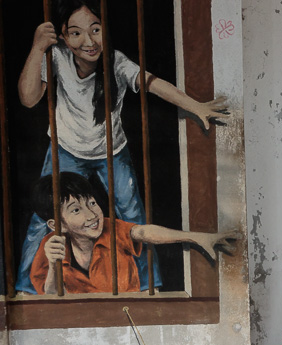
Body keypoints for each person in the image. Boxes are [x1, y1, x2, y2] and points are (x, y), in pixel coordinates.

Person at [16, 0, 230, 293]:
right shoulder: (57, 57)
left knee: (133, 218)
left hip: (111, 151)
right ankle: (27, 291)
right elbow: (28, 98)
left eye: (95, 29)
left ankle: (147, 287)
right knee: (44, 220)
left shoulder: (116, 62)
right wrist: (38, 47)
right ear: (63, 37)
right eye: (76, 33)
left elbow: (153, 83)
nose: (89, 41)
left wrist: (196, 106)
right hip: (65, 150)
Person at [29, 172, 237, 295]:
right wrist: (53, 265)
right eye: (76, 210)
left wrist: (196, 237)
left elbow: (143, 232)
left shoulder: (111, 228)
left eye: (91, 203)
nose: (92, 214)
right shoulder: (51, 246)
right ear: (57, 224)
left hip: (127, 315)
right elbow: (50, 296)